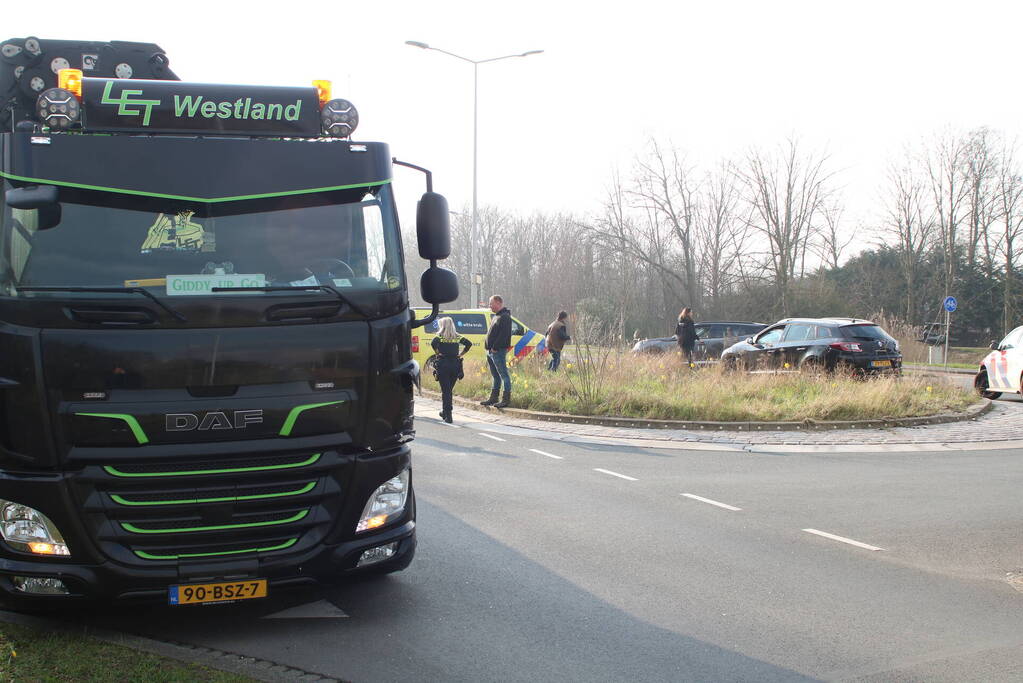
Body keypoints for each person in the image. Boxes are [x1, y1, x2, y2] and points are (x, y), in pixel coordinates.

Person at [431, 317, 472, 423]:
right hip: (455, 365)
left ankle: (448, 415)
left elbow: (433, 343)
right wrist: (460, 354)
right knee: (449, 390)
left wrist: (437, 353)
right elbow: (469, 343)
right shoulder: (457, 336)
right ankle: (445, 412)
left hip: (443, 364)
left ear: (443, 326)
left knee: (446, 391)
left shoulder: (439, 336)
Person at [480, 295, 513, 408]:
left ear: (499, 303)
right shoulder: (496, 316)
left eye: (491, 303)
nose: (490, 306)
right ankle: (493, 398)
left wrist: (495, 347)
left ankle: (506, 399)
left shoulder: (505, 317)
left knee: (503, 374)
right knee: (495, 376)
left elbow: (504, 335)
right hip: (490, 351)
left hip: (497, 351)